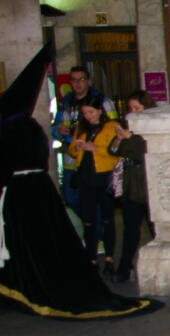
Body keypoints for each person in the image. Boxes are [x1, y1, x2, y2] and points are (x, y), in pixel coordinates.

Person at [0, 45, 159, 319]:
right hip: (70, 181)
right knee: (93, 221)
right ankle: (107, 262)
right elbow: (66, 142)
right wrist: (72, 141)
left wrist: (106, 145)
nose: (88, 116)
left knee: (117, 221)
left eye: (80, 79)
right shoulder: (59, 111)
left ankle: (114, 263)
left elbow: (118, 150)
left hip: (115, 180)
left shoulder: (105, 115)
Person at [52, 65, 117, 219]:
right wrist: (59, 131)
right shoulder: (66, 102)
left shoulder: (102, 100)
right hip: (72, 157)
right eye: (74, 80)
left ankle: (97, 229)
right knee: (71, 198)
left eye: (81, 79)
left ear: (89, 80)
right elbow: (55, 127)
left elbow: (114, 128)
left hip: (97, 159)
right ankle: (93, 225)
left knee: (97, 202)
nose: (78, 83)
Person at [66, 94, 120, 273]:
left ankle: (109, 258)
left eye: (91, 112)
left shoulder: (112, 126)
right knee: (88, 220)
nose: (88, 116)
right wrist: (76, 147)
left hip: (104, 177)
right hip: (85, 177)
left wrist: (95, 148)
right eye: (85, 113)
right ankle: (92, 258)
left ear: (100, 110)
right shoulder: (81, 127)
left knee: (107, 219)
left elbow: (117, 150)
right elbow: (72, 150)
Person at [107, 90, 155, 283]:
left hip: (148, 183)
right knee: (130, 229)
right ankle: (124, 267)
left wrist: (130, 138)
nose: (133, 112)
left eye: (137, 108)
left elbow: (143, 150)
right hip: (130, 184)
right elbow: (113, 150)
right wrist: (120, 138)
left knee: (154, 227)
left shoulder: (152, 127)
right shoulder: (128, 127)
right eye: (130, 108)